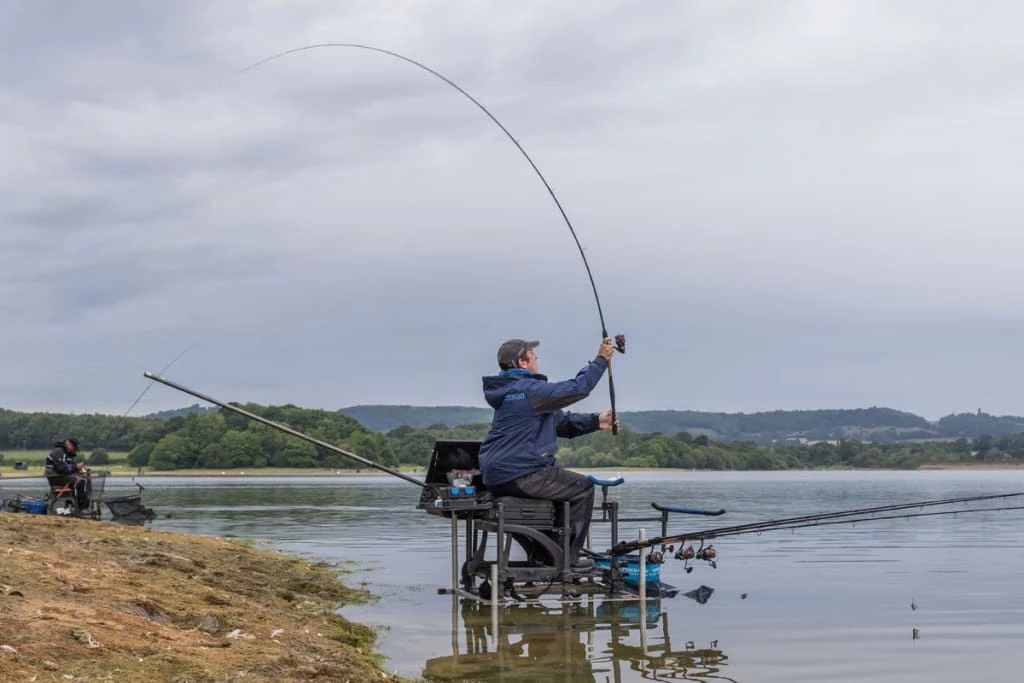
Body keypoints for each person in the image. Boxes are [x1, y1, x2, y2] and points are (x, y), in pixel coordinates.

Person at [478, 337, 617, 570]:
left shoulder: (512, 392)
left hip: (496, 475)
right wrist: (602, 359)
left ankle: (546, 554)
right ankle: (567, 561)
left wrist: (597, 421)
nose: (537, 357)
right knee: (583, 488)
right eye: (532, 354)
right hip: (522, 472)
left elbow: (562, 424)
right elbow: (578, 388)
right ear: (522, 362)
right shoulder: (529, 390)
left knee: (557, 494)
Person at [45, 438, 91, 512]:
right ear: (69, 444)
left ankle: (81, 505)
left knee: (85, 479)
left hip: (62, 476)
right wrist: (76, 467)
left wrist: (79, 470)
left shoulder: (68, 453)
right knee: (80, 481)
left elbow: (70, 467)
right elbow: (61, 468)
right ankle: (83, 507)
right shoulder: (59, 451)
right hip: (55, 477)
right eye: (74, 448)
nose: (74, 450)